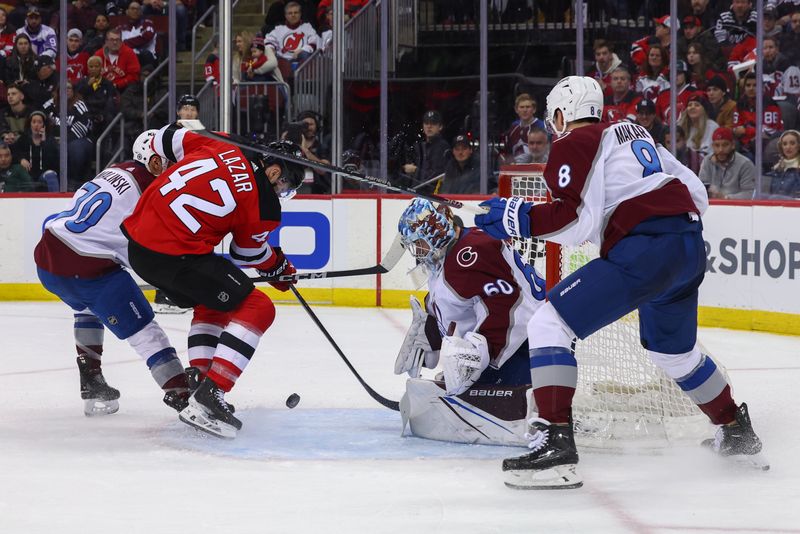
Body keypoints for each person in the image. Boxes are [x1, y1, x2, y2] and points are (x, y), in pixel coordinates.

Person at [475, 76, 767, 489]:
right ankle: (735, 430)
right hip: (688, 248)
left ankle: (556, 444)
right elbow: (697, 193)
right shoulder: (634, 132)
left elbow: (574, 221)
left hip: (644, 252)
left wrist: (515, 217)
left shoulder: (574, 142)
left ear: (561, 114)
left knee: (548, 324)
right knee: (674, 354)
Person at [121, 123, 310, 439]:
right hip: (174, 253)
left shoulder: (219, 143)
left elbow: (166, 137)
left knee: (214, 299)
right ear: (274, 172)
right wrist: (278, 266)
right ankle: (212, 393)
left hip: (138, 243)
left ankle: (199, 380)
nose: (282, 192)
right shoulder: (265, 202)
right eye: (285, 184)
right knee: (258, 307)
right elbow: (246, 251)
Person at [33, 130, 191, 416]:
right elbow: (147, 253)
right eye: (171, 161)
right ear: (154, 161)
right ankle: (181, 393)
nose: (176, 169)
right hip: (86, 264)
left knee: (87, 307)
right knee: (145, 330)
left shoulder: (115, 170)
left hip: (47, 257)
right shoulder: (154, 193)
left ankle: (91, 379)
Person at [394, 198, 546, 445]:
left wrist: (481, 354)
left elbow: (508, 305)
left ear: (436, 230)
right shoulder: (448, 253)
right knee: (452, 389)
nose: (418, 251)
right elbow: (445, 302)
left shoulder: (474, 251)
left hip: (529, 346)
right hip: (512, 346)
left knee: (527, 412)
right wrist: (430, 335)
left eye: (420, 243)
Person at [43, 81, 94, 190]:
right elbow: (41, 118)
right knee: (48, 145)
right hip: (56, 139)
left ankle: (74, 181)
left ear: (73, 91)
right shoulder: (50, 104)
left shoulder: (79, 104)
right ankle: (52, 178)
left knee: (75, 148)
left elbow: (84, 126)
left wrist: (64, 140)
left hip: (79, 140)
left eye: (69, 88)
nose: (66, 91)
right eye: (63, 89)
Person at [698, 126, 756, 199]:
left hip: (737, 208)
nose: (721, 150)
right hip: (711, 206)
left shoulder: (745, 164)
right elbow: (700, 188)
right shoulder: (707, 161)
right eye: (717, 145)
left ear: (733, 145)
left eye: (725, 145)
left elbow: (749, 194)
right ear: (712, 146)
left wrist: (726, 198)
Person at [402, 110, 450, 194]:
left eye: (433, 123)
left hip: (433, 195)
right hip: (415, 193)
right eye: (426, 123)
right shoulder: (419, 147)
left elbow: (436, 176)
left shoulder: (443, 147)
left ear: (440, 127)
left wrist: (415, 170)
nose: (429, 126)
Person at [13, 110, 59, 191]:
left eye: (39, 122)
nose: (36, 125)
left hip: (43, 175)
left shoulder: (50, 140)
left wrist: (44, 141)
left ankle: (56, 201)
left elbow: (53, 161)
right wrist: (21, 159)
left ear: (44, 125)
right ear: (30, 124)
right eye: (33, 122)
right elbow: (13, 153)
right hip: (27, 175)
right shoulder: (24, 139)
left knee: (51, 175)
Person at [76, 55, 118, 138]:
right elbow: (78, 97)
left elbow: (110, 103)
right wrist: (88, 85)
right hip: (87, 114)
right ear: (88, 69)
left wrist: (102, 115)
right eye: (91, 67)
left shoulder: (107, 84)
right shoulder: (82, 83)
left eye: (96, 66)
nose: (94, 69)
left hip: (102, 116)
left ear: (101, 68)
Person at [677, 95, 719, 174]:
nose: (692, 107)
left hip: (707, 169)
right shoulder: (680, 126)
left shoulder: (713, 127)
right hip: (685, 169)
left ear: (704, 109)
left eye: (697, 105)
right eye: (689, 105)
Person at [501, 93, 546, 164]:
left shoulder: (542, 127)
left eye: (528, 107)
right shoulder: (514, 127)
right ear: (516, 110)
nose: (525, 110)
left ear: (534, 109)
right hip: (516, 170)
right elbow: (508, 153)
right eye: (521, 107)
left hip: (536, 170)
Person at [94, 27, 141, 93]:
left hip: (123, 89)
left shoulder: (129, 53)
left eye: (117, 40)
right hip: (102, 89)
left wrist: (117, 85)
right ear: (106, 41)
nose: (115, 42)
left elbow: (134, 76)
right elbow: (93, 74)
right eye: (112, 40)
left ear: (121, 41)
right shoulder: (98, 54)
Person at [120, 1, 157, 69]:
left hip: (143, 57)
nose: (135, 11)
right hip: (126, 56)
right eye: (133, 8)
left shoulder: (147, 24)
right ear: (127, 11)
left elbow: (146, 37)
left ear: (141, 12)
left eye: (138, 9)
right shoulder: (121, 27)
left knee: (146, 54)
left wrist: (124, 43)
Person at [765, 129, 800, 199]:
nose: (788, 147)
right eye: (784, 144)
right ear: (781, 147)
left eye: (792, 143)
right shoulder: (776, 169)